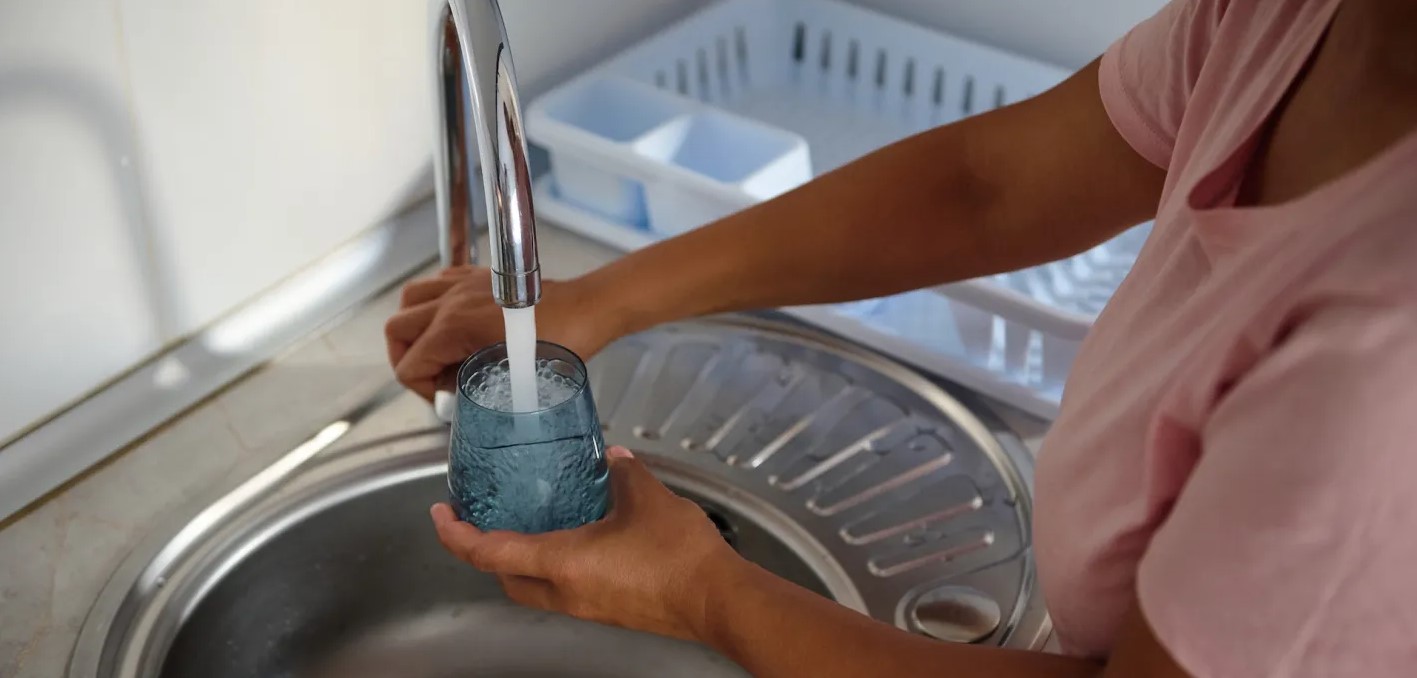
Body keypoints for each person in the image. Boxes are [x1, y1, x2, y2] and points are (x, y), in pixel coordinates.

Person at [385, 0, 1417, 675]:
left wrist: (702, 591)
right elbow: (986, 187)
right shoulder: (1299, 21)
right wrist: (599, 298)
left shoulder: (1384, 358)